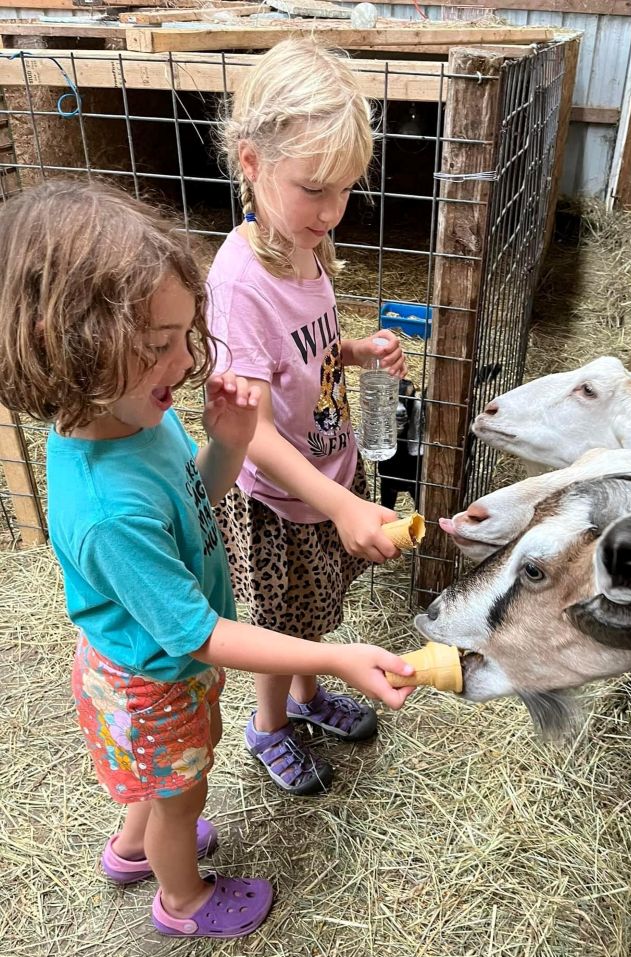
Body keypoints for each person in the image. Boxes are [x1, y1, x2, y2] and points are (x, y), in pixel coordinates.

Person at [0, 180, 413, 940]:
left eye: (185, 336)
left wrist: (226, 440)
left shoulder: (126, 423)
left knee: (160, 788)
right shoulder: (106, 511)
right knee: (181, 797)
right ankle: (181, 898)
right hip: (151, 682)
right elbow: (196, 632)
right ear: (70, 345)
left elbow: (195, 494)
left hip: (151, 668)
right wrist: (336, 654)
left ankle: (133, 847)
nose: (187, 362)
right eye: (159, 345)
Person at [207, 40, 408, 796]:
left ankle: (306, 690)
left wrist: (353, 351)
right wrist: (340, 502)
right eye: (315, 188)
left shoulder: (304, 245)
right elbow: (249, 427)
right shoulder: (239, 283)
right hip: (279, 499)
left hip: (326, 473)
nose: (332, 212)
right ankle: (269, 728)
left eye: (347, 190)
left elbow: (308, 350)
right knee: (283, 623)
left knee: (313, 610)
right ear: (252, 162)